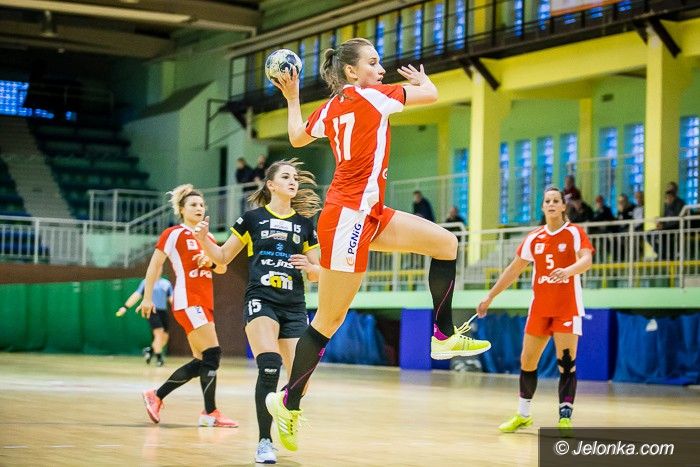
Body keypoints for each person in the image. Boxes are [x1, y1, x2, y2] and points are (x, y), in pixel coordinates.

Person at [266, 37, 491, 451]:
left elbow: (296, 136)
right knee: (328, 321)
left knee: (446, 243)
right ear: (352, 71)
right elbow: (431, 94)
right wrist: (422, 80)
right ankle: (288, 402)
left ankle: (443, 335)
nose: (381, 69)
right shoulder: (373, 95)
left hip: (370, 212)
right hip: (348, 218)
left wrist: (293, 97)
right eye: (373, 62)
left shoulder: (331, 108)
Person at [194, 159, 321, 464]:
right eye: (286, 177)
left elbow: (318, 273)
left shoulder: (305, 225)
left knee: (302, 378)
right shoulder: (252, 219)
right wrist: (202, 240)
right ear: (271, 185)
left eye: (295, 178)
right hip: (261, 299)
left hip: (294, 305)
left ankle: (288, 410)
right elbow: (222, 257)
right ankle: (265, 441)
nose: (293, 181)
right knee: (269, 365)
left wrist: (311, 266)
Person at [477, 186, 594, 434]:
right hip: (540, 308)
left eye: (556, 201)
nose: (551, 204)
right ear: (543, 207)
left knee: (566, 363)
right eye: (547, 201)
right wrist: (490, 296)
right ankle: (523, 414)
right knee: (527, 360)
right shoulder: (534, 237)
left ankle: (565, 418)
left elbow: (586, 260)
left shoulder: (574, 232)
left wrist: (569, 271)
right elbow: (513, 269)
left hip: (567, 308)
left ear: (563, 206)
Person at [138, 184, 237, 428]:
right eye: (193, 205)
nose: (199, 208)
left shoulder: (208, 237)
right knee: (213, 353)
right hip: (188, 300)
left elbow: (222, 267)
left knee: (202, 361)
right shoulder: (174, 233)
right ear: (181, 209)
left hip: (204, 302)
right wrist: (147, 297)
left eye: (202, 205)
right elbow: (155, 265)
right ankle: (210, 412)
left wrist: (209, 262)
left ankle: (156, 395)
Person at [116, 270, 173, 366]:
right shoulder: (146, 282)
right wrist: (125, 307)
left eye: (160, 267)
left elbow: (172, 298)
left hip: (163, 312)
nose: (157, 269)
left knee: (164, 338)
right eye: (156, 267)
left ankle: (150, 350)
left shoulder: (166, 283)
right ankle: (159, 359)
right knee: (159, 333)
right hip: (151, 310)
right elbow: (137, 295)